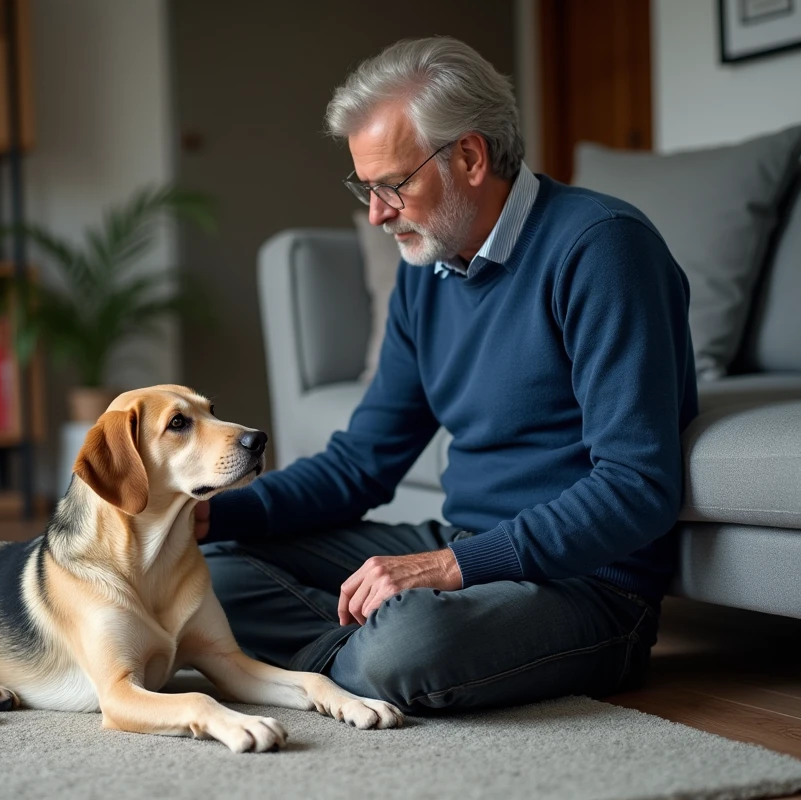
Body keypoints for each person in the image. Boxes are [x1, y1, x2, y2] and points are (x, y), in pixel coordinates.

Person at [196, 36, 698, 714]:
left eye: (392, 185)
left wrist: (444, 572)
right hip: (464, 549)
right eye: (364, 187)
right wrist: (208, 515)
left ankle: (337, 654)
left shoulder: (602, 248)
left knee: (407, 644)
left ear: (468, 156)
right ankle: (353, 653)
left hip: (591, 589)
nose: (375, 214)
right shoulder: (426, 275)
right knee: (204, 564)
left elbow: (637, 486)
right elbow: (362, 464)